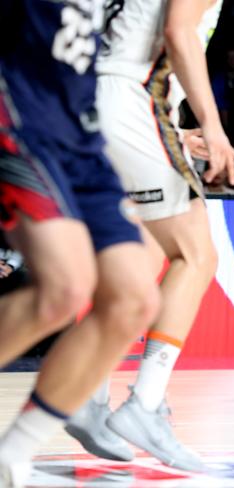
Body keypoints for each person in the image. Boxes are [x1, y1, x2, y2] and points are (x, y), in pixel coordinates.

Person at [64, 0, 234, 472]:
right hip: (133, 102)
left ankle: (87, 393)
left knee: (136, 264)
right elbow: (180, 34)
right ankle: (145, 404)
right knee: (196, 255)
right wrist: (213, 125)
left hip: (97, 103)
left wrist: (175, 136)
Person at [0, 1, 161, 484]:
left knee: (133, 299)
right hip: (20, 116)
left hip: (81, 135)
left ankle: (12, 456)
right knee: (64, 289)